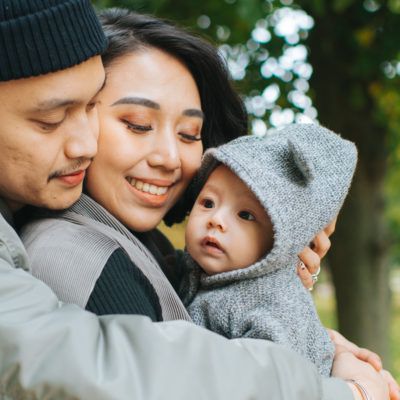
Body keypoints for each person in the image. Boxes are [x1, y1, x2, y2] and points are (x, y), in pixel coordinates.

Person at [0, 2, 395, 399]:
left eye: (190, 134)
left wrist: (296, 324)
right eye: (137, 125)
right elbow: (134, 373)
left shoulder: (147, 249)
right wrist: (342, 391)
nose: (170, 158)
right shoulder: (75, 255)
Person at [179, 123, 357, 377]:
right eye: (208, 203)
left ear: (280, 238)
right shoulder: (192, 271)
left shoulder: (272, 305)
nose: (216, 219)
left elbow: (272, 384)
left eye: (245, 215)